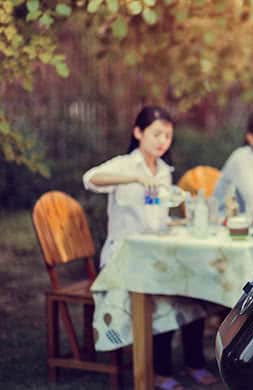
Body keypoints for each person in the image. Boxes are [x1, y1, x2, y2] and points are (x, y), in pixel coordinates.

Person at [83, 106, 218, 389]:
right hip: (124, 257)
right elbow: (91, 179)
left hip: (154, 254)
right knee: (162, 292)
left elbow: (156, 217)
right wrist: (134, 178)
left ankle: (194, 362)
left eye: (168, 136)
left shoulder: (164, 171)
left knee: (194, 286)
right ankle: (160, 370)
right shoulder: (125, 165)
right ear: (138, 132)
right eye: (156, 134)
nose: (162, 141)